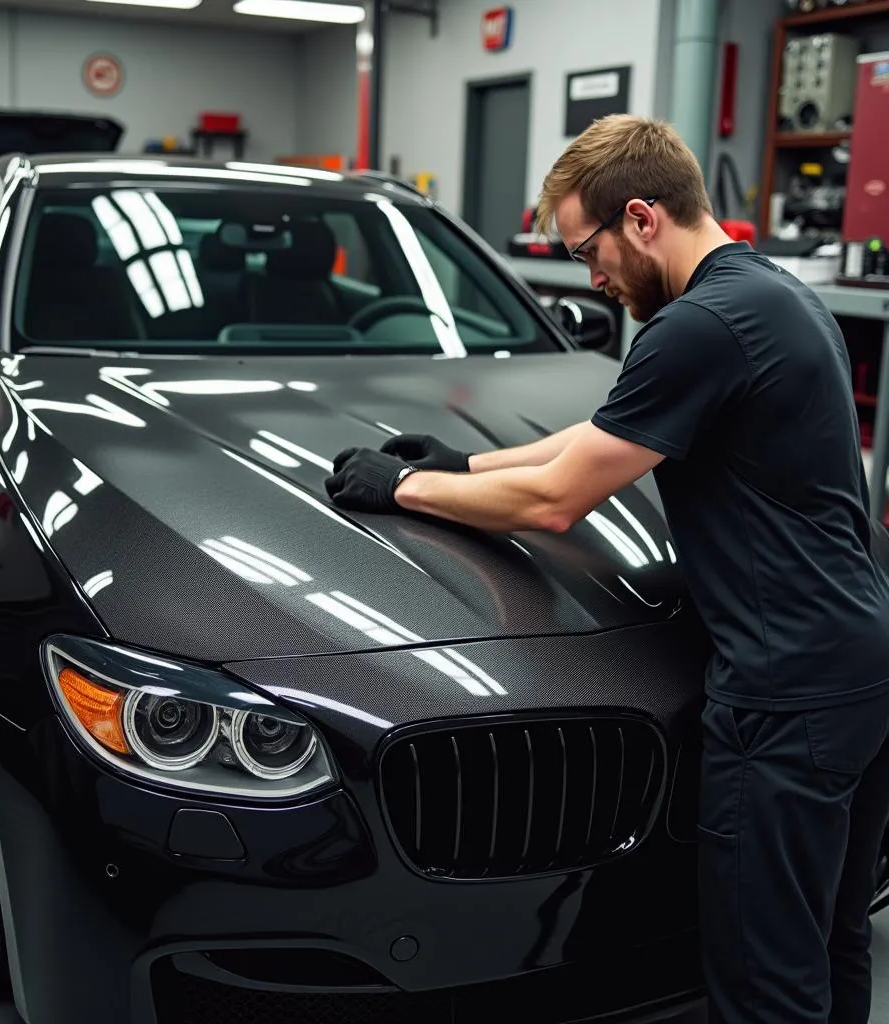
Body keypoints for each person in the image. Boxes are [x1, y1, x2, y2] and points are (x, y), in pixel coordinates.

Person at [324, 113, 889, 1024]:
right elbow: (600, 440)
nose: (591, 277)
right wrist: (461, 465)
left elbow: (553, 504)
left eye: (589, 249)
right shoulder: (768, 296)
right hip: (858, 666)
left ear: (640, 217)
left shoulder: (696, 326)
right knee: (831, 939)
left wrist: (404, 490)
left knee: (763, 978)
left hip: (786, 694)